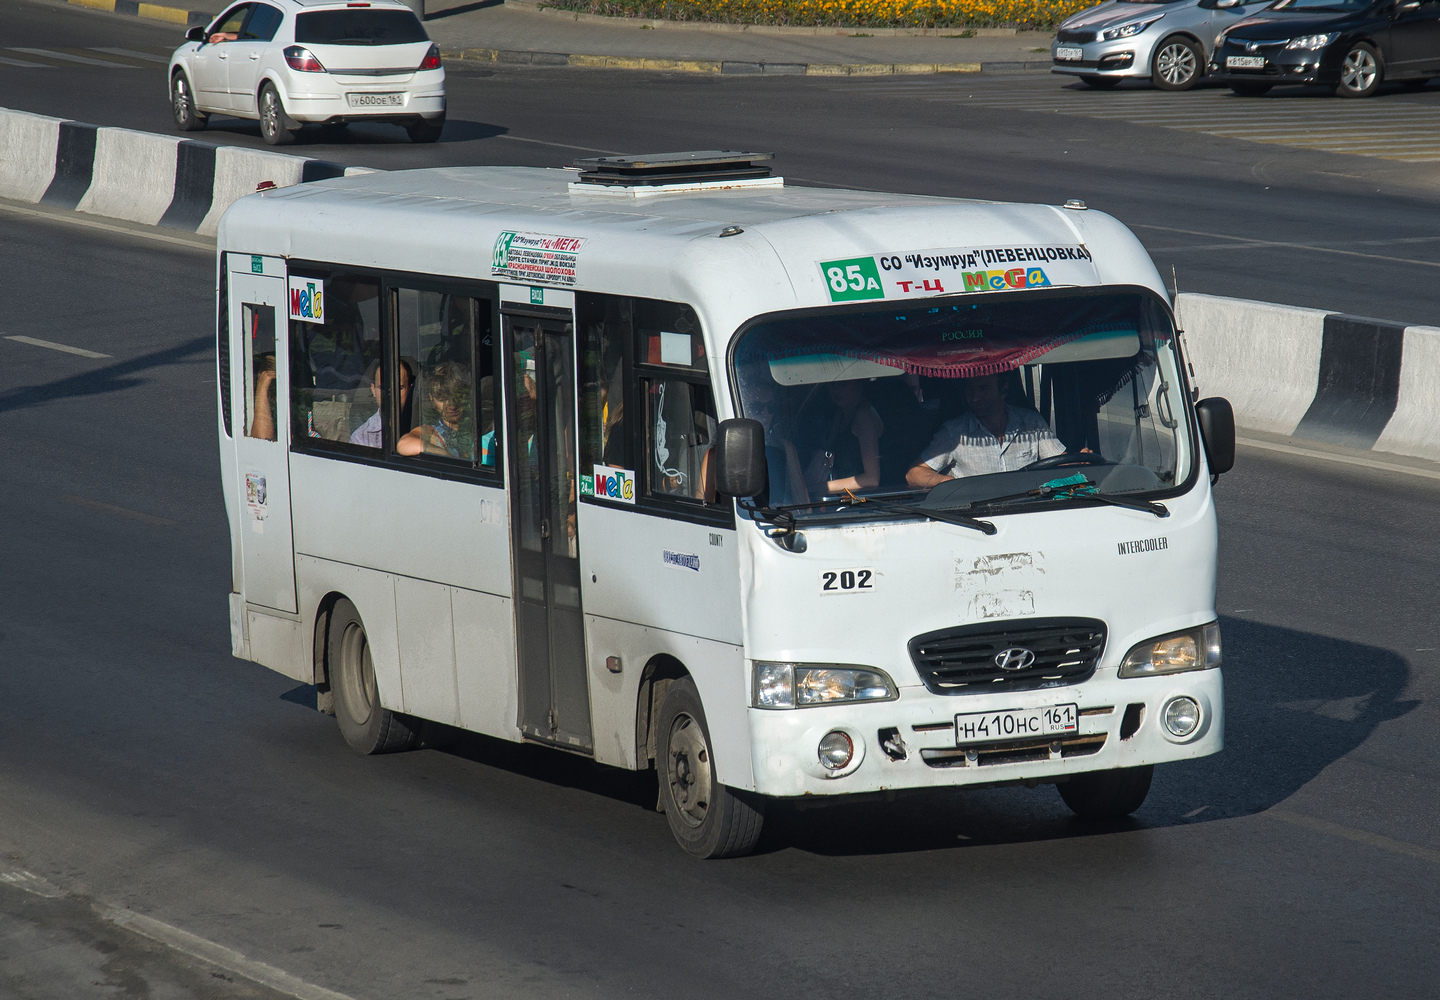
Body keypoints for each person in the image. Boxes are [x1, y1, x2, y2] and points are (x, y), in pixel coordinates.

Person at [906, 372, 1065, 487]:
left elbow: (1060, 461)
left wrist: (1081, 460)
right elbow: (914, 474)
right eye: (969, 390)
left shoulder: (1031, 423)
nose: (974, 398)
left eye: (983, 389)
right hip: (977, 520)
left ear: (1003, 388)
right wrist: (948, 484)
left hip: (1031, 512)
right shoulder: (954, 432)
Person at [803, 379, 884, 497]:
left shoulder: (864, 416)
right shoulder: (840, 414)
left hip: (864, 502)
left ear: (859, 384)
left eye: (843, 384)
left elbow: (872, 479)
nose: (836, 390)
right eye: (831, 385)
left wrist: (819, 487)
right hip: (844, 499)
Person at [397, 362, 474, 460]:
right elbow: (404, 444)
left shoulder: (477, 428)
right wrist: (444, 454)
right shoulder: (432, 432)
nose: (452, 405)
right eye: (442, 398)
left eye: (457, 397)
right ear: (432, 398)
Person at [349, 359, 413, 449]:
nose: (390, 395)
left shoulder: (424, 429)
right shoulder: (361, 438)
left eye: (399, 388)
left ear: (410, 389)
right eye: (383, 388)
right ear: (373, 389)